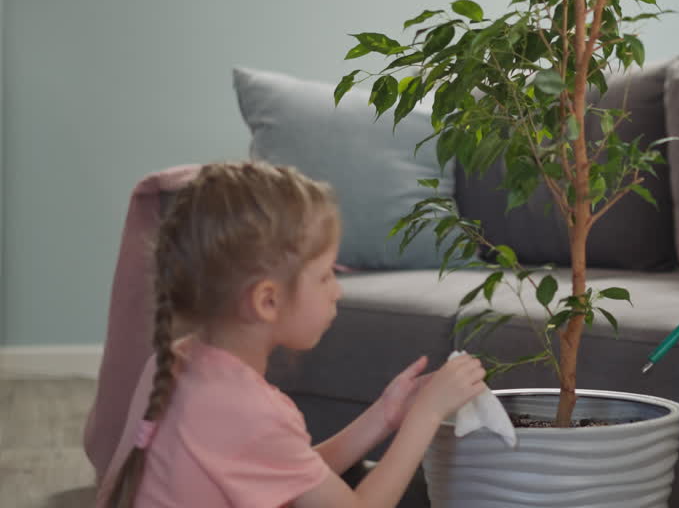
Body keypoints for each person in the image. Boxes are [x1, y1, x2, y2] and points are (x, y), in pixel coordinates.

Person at [97, 161, 487, 508]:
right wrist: (427, 413)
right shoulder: (249, 410)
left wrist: (383, 417)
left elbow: (289, 473)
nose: (336, 291)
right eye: (325, 275)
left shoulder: (175, 362)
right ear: (267, 300)